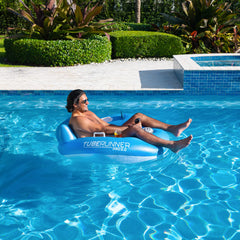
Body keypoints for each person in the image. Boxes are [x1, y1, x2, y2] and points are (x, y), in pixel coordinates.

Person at [66, 89, 193, 153]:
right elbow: (102, 130)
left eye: (87, 99)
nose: (88, 103)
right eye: (84, 101)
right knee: (136, 128)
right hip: (106, 139)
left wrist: (125, 126)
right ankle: (172, 145)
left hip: (113, 131)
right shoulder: (78, 120)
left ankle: (173, 128)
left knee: (139, 116)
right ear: (75, 104)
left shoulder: (87, 112)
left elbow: (105, 124)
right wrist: (129, 128)